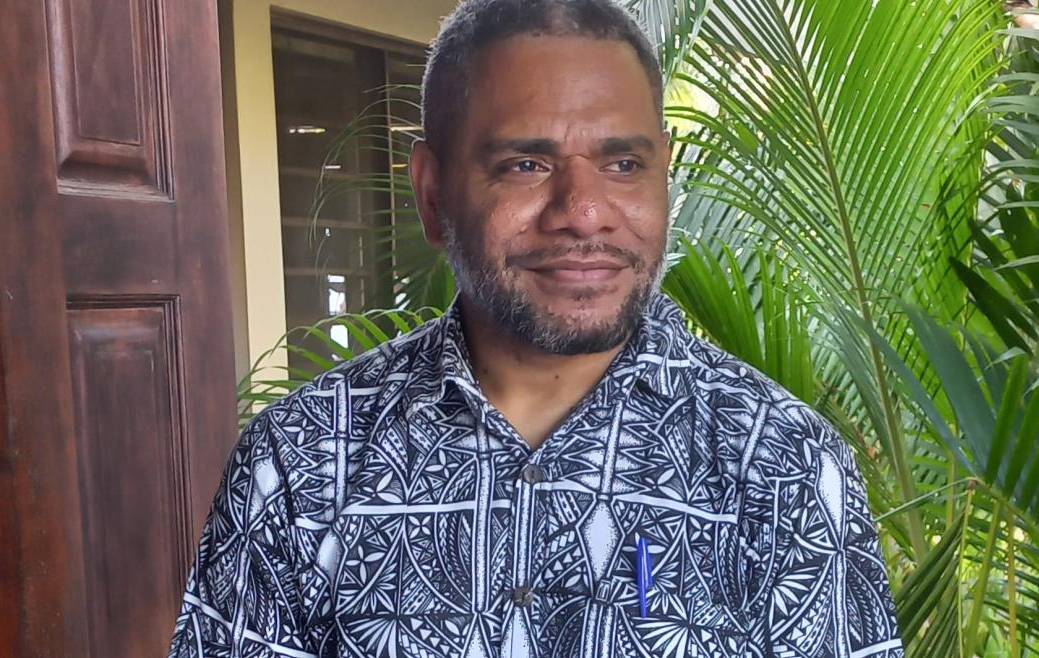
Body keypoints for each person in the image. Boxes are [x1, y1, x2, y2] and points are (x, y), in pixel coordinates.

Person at [167, 0, 902, 656]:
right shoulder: (302, 464)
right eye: (524, 164)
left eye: (622, 163)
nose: (583, 210)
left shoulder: (783, 466)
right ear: (432, 195)